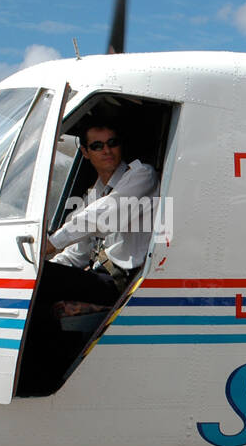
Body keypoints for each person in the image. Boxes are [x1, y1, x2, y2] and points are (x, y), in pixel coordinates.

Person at [43, 119, 159, 312]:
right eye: (97, 146)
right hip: (100, 276)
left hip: (125, 283)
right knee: (37, 278)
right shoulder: (94, 195)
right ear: (85, 153)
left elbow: (104, 215)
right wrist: (40, 267)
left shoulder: (142, 175)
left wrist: (53, 242)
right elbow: (78, 254)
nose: (107, 150)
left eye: (112, 143)